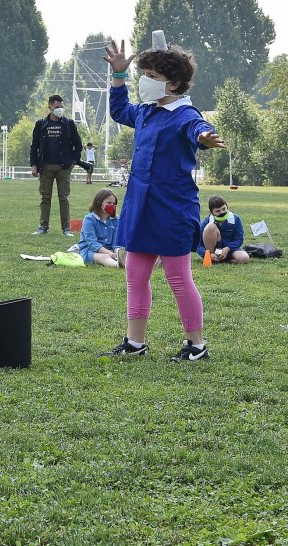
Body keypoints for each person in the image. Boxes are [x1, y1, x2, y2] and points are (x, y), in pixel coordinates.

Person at [100, 39, 225, 362]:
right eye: (142, 74)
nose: (143, 81)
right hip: (140, 207)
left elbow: (198, 128)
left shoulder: (185, 114)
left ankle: (196, 345)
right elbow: (118, 110)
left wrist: (204, 138)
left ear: (173, 83)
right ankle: (135, 341)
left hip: (172, 210)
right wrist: (118, 76)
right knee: (135, 275)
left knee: (178, 278)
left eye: (150, 75)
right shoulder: (145, 112)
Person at [29, 94, 82, 237]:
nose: (60, 109)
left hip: (64, 167)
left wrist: (73, 162)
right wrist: (33, 164)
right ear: (50, 107)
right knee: (45, 197)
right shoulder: (41, 124)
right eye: (57, 107)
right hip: (45, 166)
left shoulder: (69, 124)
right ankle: (43, 227)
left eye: (61, 106)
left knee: (63, 198)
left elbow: (78, 145)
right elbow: (34, 146)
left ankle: (66, 229)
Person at [197, 195, 250, 265]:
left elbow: (239, 239)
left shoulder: (235, 219)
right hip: (213, 251)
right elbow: (198, 243)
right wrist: (206, 254)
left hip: (230, 250)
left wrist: (228, 248)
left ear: (227, 206)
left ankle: (225, 260)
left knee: (244, 258)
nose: (222, 212)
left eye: (224, 209)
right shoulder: (207, 221)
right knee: (210, 226)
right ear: (211, 212)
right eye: (218, 211)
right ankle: (212, 257)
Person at [78, 188, 123, 268]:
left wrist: (117, 252)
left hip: (109, 250)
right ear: (99, 202)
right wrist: (109, 253)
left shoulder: (116, 220)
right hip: (90, 251)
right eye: (109, 203)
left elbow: (116, 243)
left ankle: (123, 261)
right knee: (104, 257)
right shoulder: (89, 219)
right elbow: (92, 243)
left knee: (124, 252)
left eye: (114, 203)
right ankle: (119, 265)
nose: (112, 206)